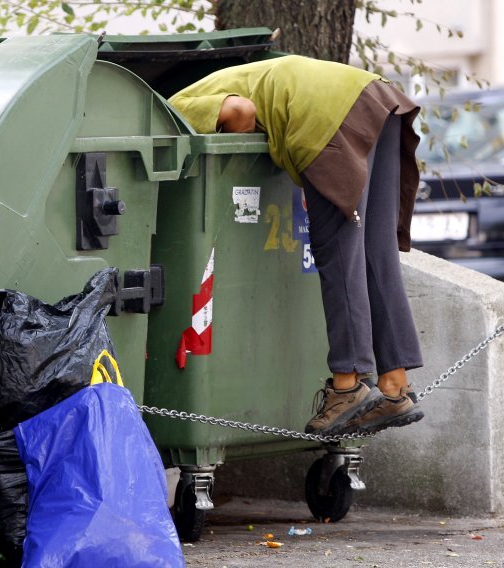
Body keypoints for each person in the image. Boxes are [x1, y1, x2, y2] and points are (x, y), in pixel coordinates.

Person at [168, 55, 425, 436]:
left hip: (327, 115)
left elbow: (239, 112)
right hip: (377, 100)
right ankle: (393, 385)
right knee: (376, 252)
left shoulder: (175, 107)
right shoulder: (227, 76)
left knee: (339, 253)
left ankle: (346, 386)